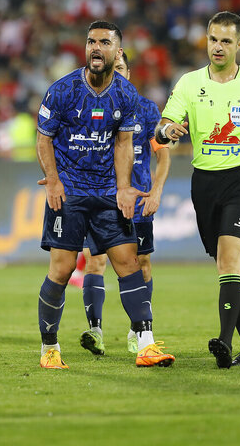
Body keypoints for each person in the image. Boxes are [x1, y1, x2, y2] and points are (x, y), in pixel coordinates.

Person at [36, 20, 175, 369]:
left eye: (103, 43)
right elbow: (43, 139)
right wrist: (53, 181)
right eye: (90, 42)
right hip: (70, 193)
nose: (95, 48)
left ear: (117, 51)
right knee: (63, 268)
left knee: (130, 262)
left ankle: (145, 344)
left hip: (109, 194)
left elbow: (124, 143)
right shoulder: (62, 90)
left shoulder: (127, 96)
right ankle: (49, 348)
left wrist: (125, 187)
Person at [155, 11, 240, 368]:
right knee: (231, 269)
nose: (218, 47)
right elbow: (165, 123)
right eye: (213, 39)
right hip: (204, 184)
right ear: (206, 39)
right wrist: (166, 131)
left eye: (226, 41)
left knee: (229, 259)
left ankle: (224, 343)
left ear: (239, 45)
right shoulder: (188, 83)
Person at [75, 53, 171, 357]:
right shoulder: (92, 107)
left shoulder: (145, 109)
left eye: (120, 70)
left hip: (138, 199)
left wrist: (156, 191)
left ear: (128, 73)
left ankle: (137, 331)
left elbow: (163, 154)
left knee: (141, 263)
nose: (115, 75)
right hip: (101, 200)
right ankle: (96, 330)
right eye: (111, 70)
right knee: (95, 261)